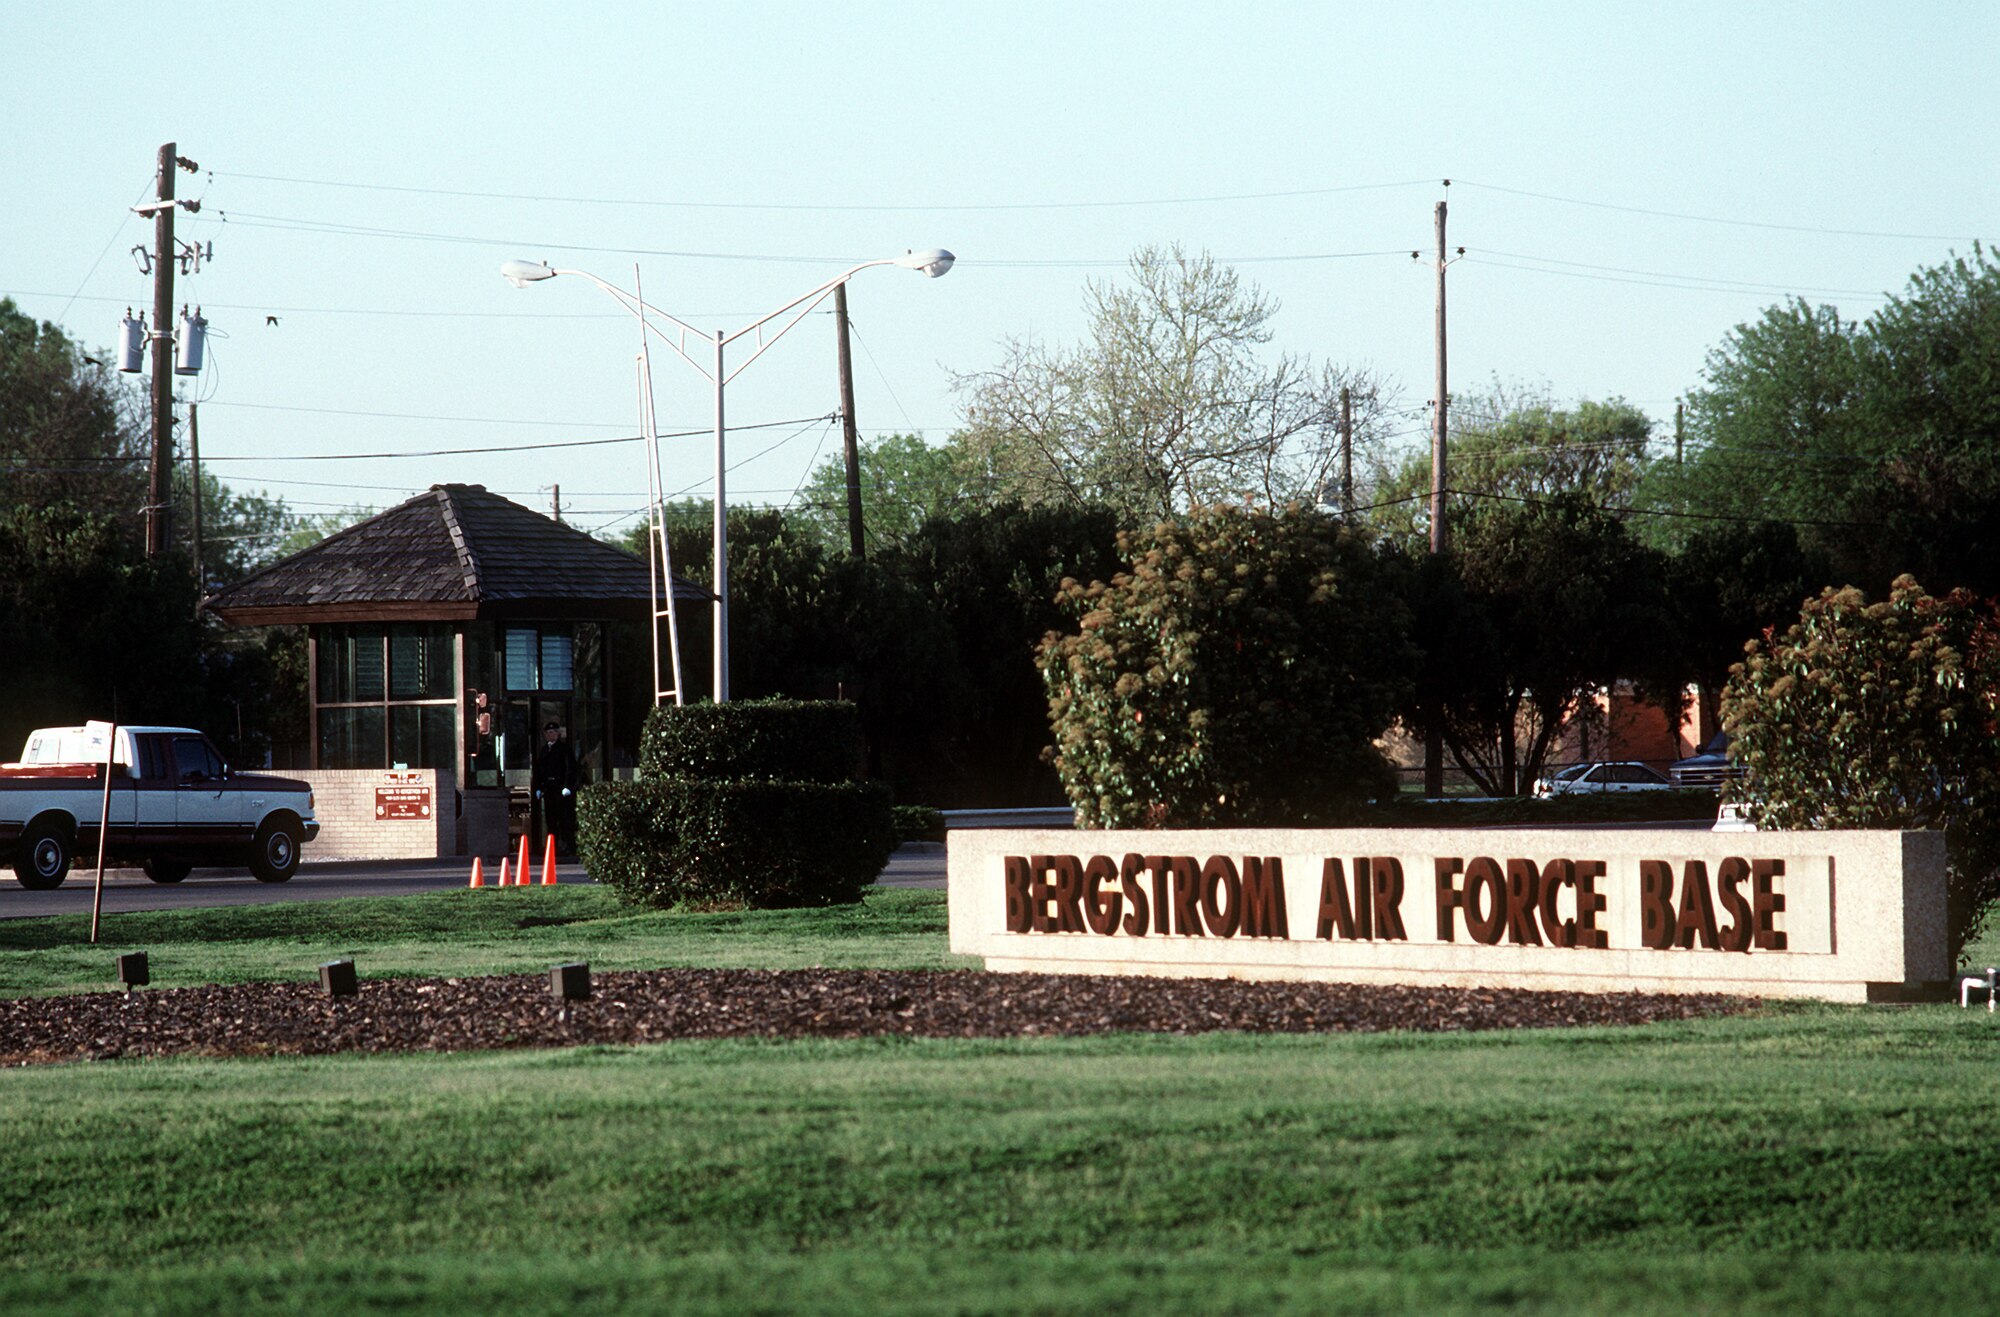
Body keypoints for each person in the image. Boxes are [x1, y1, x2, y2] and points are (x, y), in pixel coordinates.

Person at [532, 720, 578, 856]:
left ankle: (569, 847)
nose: (549, 735)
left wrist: (567, 786)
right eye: (547, 733)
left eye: (552, 732)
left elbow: (570, 769)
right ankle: (553, 848)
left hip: (560, 788)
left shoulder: (564, 749)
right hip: (549, 788)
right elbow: (540, 770)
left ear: (557, 734)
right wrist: (539, 787)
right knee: (550, 820)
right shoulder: (545, 750)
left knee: (564, 819)